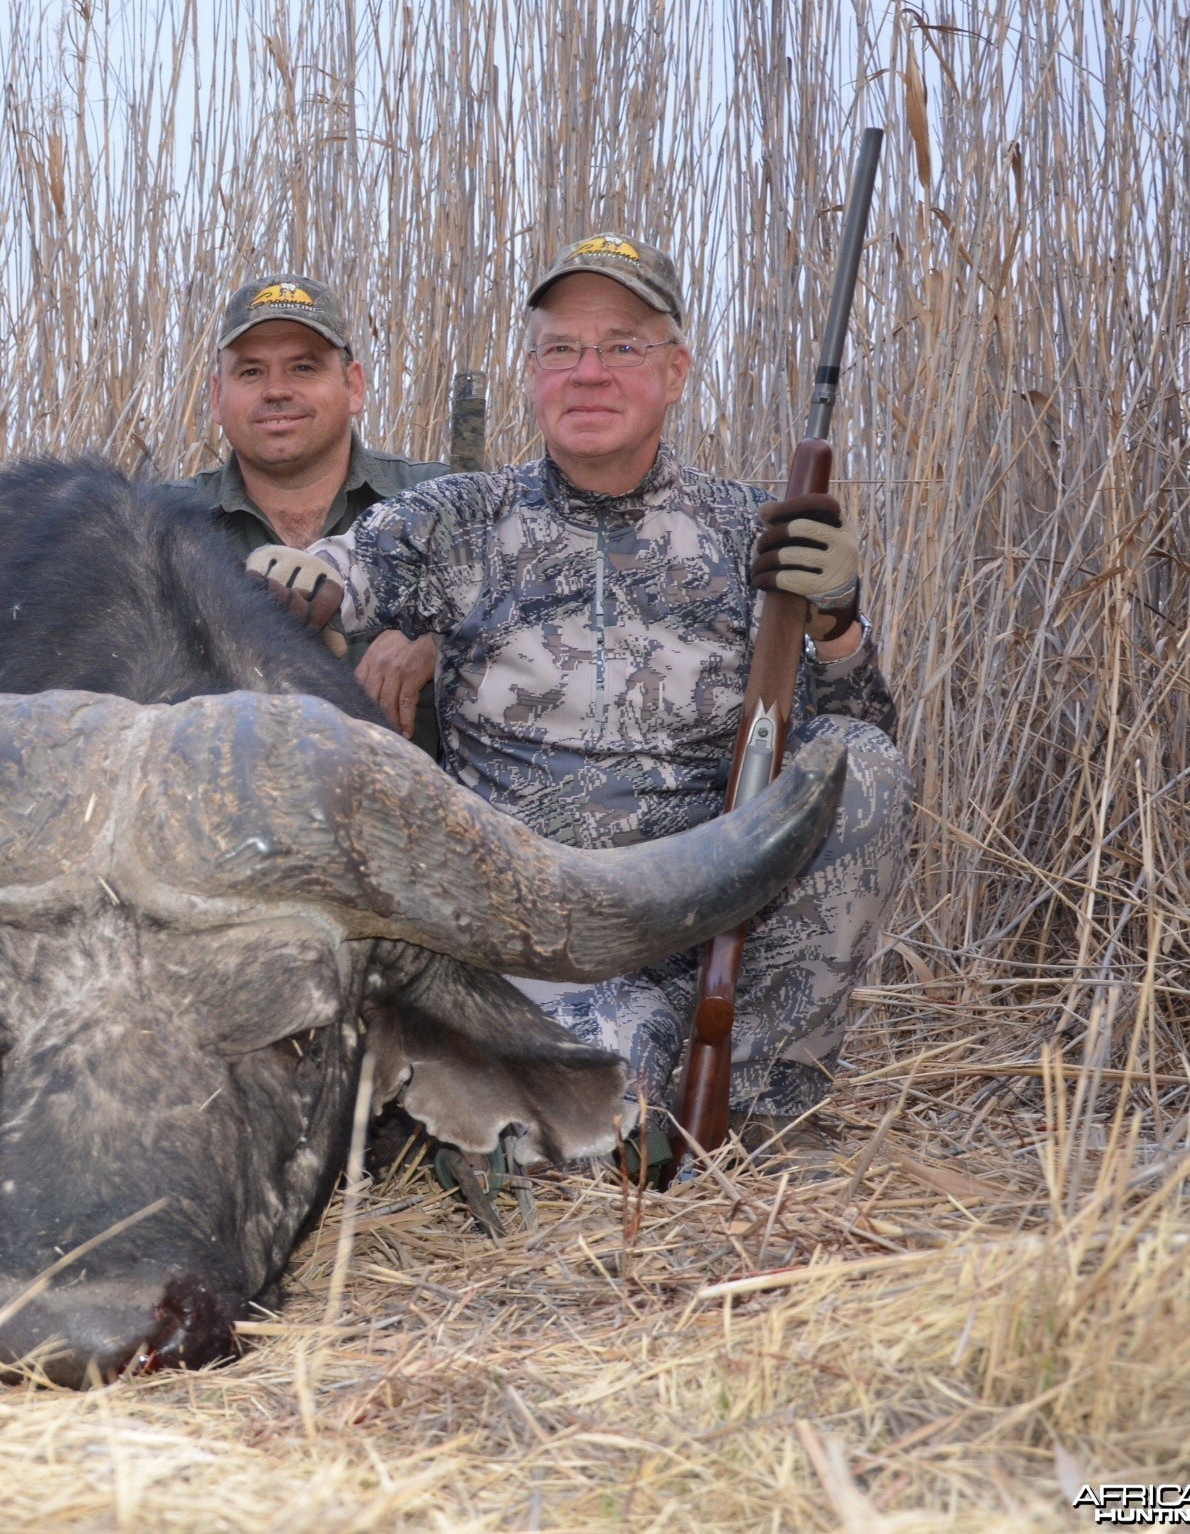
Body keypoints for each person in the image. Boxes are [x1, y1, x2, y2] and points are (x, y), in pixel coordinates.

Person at [271, 233, 913, 1156]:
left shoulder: (751, 532)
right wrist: (294, 579)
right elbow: (339, 571)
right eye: (561, 349)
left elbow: (854, 748)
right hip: (524, 929)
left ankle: (771, 1118)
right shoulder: (460, 519)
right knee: (592, 1107)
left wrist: (841, 623)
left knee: (867, 767)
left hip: (699, 917)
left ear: (677, 370)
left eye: (622, 347)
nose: (589, 373)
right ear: (533, 373)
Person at [171, 273, 451, 758]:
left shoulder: (447, 503)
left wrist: (440, 644)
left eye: (303, 368)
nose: (276, 391)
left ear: (354, 386)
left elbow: (552, 618)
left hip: (414, 823)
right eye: (251, 372)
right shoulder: (162, 530)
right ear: (218, 397)